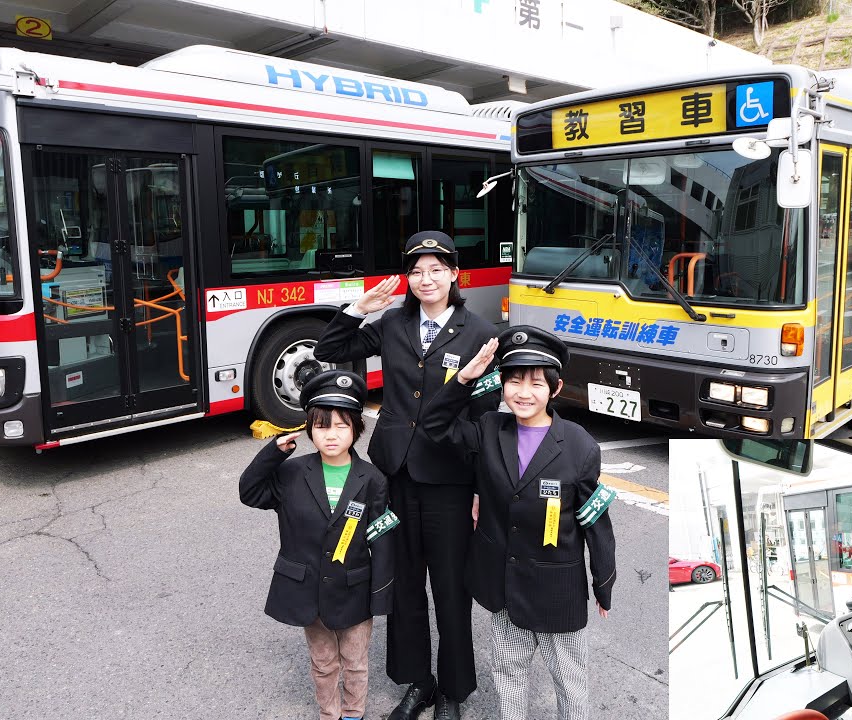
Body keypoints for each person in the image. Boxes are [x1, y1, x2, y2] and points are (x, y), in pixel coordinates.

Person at [315, 230, 499, 720]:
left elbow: (485, 419)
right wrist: (359, 308)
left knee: (451, 587)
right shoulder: (392, 323)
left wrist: (482, 488)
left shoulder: (479, 332)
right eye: (417, 271)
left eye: (437, 269)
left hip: (451, 480)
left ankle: (454, 691)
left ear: (454, 274)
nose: (426, 279)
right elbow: (330, 347)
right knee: (405, 585)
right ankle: (418, 683)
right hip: (395, 474)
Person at [423, 326, 617, 720]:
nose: (523, 393)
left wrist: (603, 581)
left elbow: (596, 520)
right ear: (502, 385)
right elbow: (434, 426)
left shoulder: (580, 445)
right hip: (503, 584)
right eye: (514, 380)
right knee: (508, 671)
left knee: (569, 678)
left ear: (555, 389)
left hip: (558, 588)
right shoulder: (490, 430)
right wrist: (463, 379)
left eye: (535, 383)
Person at [239, 370, 398, 720]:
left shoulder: (372, 479)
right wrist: (273, 453)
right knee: (324, 661)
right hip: (309, 589)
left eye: (342, 426)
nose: (331, 435)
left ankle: (354, 713)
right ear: (310, 428)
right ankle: (330, 713)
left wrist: (381, 592)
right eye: (323, 425)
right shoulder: (292, 472)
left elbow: (382, 537)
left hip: (355, 588)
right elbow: (250, 493)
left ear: (357, 429)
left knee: (355, 661)